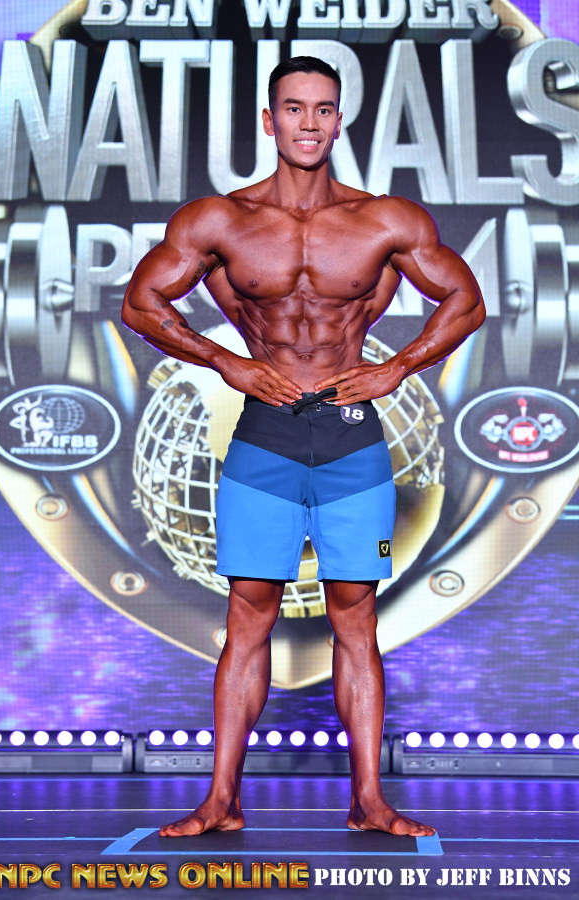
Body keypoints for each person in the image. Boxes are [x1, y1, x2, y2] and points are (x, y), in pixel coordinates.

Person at [122, 56, 485, 839]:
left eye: (323, 109)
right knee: (247, 617)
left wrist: (398, 367)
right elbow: (141, 303)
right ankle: (221, 800)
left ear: (339, 120)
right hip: (267, 435)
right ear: (270, 120)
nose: (309, 123)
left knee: (357, 620)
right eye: (294, 108)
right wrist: (221, 360)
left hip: (352, 440)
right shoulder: (220, 220)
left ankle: (369, 801)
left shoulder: (385, 220)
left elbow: (465, 300)